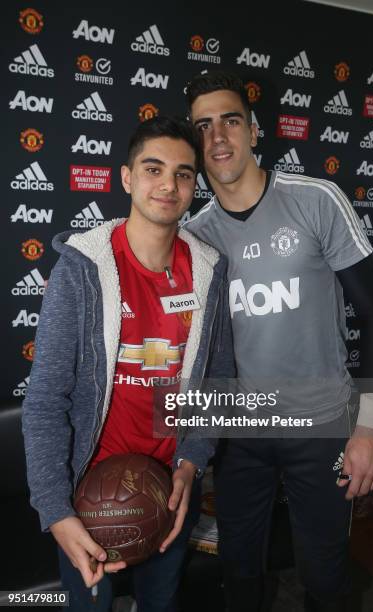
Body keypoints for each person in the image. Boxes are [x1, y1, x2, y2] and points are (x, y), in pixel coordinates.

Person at [183, 70, 373, 612]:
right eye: (203, 127)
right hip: (239, 434)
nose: (218, 138)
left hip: (320, 425)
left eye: (230, 120)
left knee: (325, 578)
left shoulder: (316, 199)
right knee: (240, 573)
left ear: (254, 131)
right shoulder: (196, 234)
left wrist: (371, 428)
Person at [22, 115, 235, 612]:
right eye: (153, 168)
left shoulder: (208, 271)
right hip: (89, 495)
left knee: (161, 603)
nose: (168, 185)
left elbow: (217, 381)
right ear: (126, 178)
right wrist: (56, 512)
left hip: (168, 492)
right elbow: (46, 401)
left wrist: (190, 464)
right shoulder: (82, 269)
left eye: (183, 173)